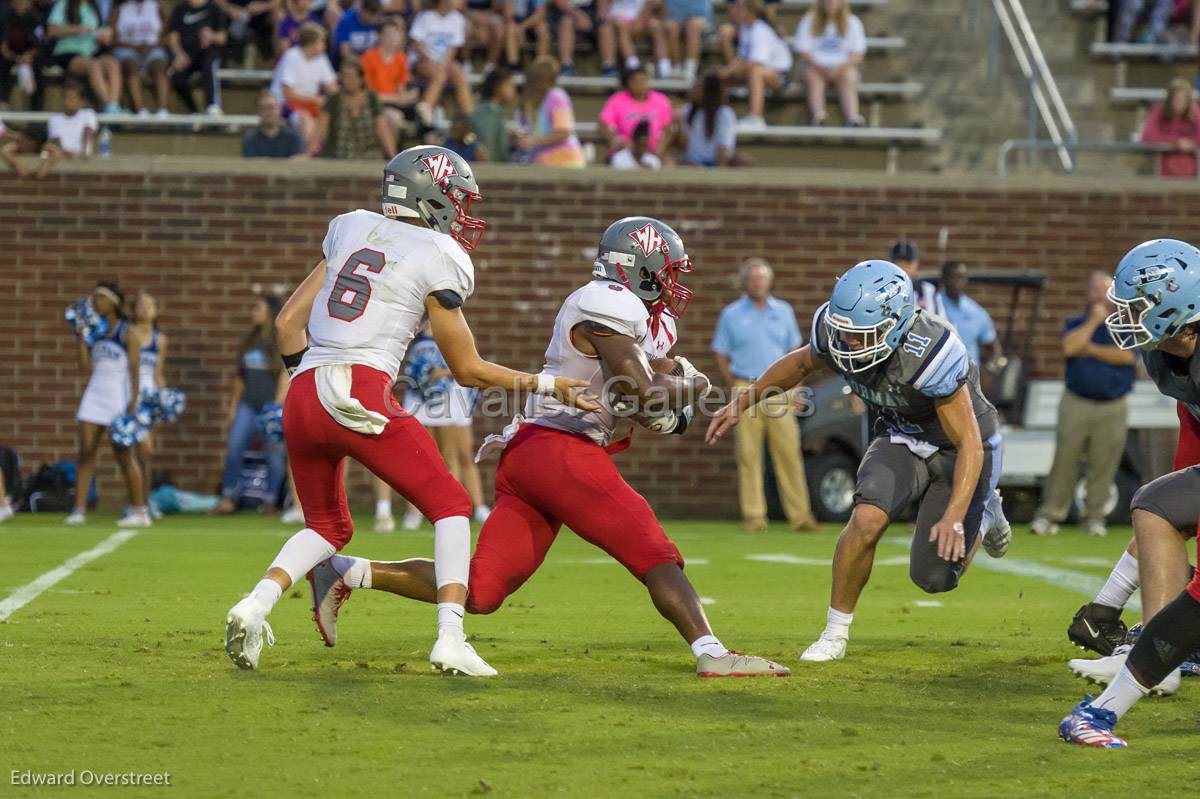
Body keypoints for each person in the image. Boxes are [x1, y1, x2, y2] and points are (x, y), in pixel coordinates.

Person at [305, 216, 793, 679]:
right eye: (664, 274)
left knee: (481, 589)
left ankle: (347, 571)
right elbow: (638, 391)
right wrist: (694, 384)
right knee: (653, 551)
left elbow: (639, 396)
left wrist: (666, 400)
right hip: (560, 450)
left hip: (536, 455)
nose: (671, 285)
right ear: (639, 269)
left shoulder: (630, 317)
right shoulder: (605, 301)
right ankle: (711, 653)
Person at [221, 145, 596, 676]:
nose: (462, 211)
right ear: (433, 197)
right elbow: (467, 368)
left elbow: (287, 326)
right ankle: (450, 637)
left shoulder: (351, 227)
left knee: (327, 525)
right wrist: (548, 383)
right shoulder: (438, 254)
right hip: (360, 385)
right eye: (456, 199)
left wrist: (312, 383)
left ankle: (254, 604)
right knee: (451, 504)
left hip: (304, 388)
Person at [707, 259, 1012, 661]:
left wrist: (956, 515)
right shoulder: (835, 329)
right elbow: (800, 363)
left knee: (934, 578)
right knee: (865, 519)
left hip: (960, 447)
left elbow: (970, 442)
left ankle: (987, 513)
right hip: (901, 436)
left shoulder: (932, 351)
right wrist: (745, 399)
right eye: (845, 333)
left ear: (898, 325)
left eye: (862, 336)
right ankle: (835, 633)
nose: (849, 344)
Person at [1057, 238, 1200, 747]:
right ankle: (1151, 672)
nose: (1128, 316)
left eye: (1138, 305)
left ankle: (1107, 707)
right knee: (1156, 504)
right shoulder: (1171, 352)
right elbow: (1192, 413)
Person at [711, 257, 816, 533]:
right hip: (745, 387)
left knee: (789, 452)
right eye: (753, 278)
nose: (758, 282)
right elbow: (721, 353)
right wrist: (733, 382)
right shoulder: (731, 314)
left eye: (762, 278)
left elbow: (797, 354)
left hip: (780, 390)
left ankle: (801, 516)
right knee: (748, 455)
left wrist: (796, 389)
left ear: (769, 281)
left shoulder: (783, 311)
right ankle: (754, 518)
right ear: (745, 282)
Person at [1029, 272, 1136, 539]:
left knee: (1104, 463)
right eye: (1095, 288)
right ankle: (1050, 515)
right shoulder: (1077, 322)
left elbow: (1126, 357)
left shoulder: (1125, 325)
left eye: (1105, 289)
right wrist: (1093, 322)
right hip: (1076, 402)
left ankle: (1095, 517)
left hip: (1113, 405)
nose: (1100, 294)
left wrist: (1089, 350)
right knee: (1065, 460)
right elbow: (1070, 347)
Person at [66, 282, 152, 528]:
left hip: (118, 396)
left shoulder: (128, 332)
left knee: (123, 455)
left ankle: (139, 510)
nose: (96, 303)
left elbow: (135, 372)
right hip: (94, 394)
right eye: (94, 299)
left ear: (114, 302)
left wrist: (133, 403)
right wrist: (80, 336)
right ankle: (79, 509)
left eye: (101, 299)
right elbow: (84, 368)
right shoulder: (94, 330)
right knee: (85, 452)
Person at [211, 295, 289, 516]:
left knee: (274, 454)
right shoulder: (249, 341)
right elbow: (240, 378)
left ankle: (270, 501)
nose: (253, 312)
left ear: (270, 312)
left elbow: (286, 373)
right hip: (247, 404)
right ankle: (227, 497)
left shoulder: (279, 342)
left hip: (269, 407)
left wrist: (277, 406)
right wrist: (233, 408)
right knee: (234, 447)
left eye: (258, 308)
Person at [402, 328, 491, 522]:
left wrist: (442, 372)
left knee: (455, 454)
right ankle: (414, 512)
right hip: (419, 397)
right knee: (420, 456)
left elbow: (470, 363)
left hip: (450, 396)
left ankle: (457, 507)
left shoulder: (456, 326)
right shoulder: (414, 327)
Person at [719, 0, 791, 132]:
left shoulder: (760, 29)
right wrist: (727, 71)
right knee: (722, 76)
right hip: (760, 70)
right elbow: (741, 57)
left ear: (750, 12)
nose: (736, 11)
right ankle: (720, 117)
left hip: (779, 75)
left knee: (755, 72)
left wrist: (730, 71)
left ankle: (756, 118)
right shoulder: (746, 28)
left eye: (740, 8)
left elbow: (756, 62)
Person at [307, 55, 397, 160]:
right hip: (338, 154)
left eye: (351, 77)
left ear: (361, 79)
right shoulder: (333, 99)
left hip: (369, 155)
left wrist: (393, 156)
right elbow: (320, 129)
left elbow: (383, 129)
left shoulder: (372, 99)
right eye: (344, 76)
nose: (346, 81)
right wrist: (308, 153)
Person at [792, 0, 865, 127]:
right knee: (813, 76)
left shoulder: (853, 22)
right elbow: (803, 52)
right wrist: (821, 68)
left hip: (842, 68)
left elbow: (858, 55)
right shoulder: (808, 20)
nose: (829, 3)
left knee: (849, 76)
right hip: (814, 67)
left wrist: (839, 68)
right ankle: (819, 116)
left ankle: (852, 116)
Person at [46, 0, 124, 113]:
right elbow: (51, 30)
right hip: (69, 52)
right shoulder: (64, 4)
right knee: (94, 65)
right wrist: (77, 29)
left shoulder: (94, 6)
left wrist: (103, 37)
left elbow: (96, 31)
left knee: (112, 63)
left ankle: (114, 104)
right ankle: (109, 107)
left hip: (92, 50)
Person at [129, 292, 166, 517]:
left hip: (149, 397)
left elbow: (158, 373)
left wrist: (163, 398)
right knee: (138, 449)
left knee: (146, 453)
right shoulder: (129, 333)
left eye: (150, 305)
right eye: (141, 305)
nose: (145, 309)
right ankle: (137, 501)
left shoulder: (159, 339)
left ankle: (144, 499)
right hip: (131, 395)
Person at [271, 22, 337, 144]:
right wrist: (316, 99)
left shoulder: (321, 59)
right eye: (321, 41)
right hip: (286, 104)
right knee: (305, 118)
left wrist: (330, 101)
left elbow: (332, 88)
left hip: (309, 103)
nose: (324, 45)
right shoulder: (292, 56)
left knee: (328, 116)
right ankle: (311, 154)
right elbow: (288, 94)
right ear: (312, 43)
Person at [516, 55, 585, 167]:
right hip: (541, 161)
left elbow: (564, 131)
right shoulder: (533, 101)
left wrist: (533, 141)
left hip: (564, 161)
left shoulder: (556, 96)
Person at [409, 0, 474, 118]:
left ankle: (469, 114)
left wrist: (443, 62)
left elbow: (453, 49)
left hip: (443, 62)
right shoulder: (425, 17)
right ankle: (425, 107)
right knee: (440, 74)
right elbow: (417, 45)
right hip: (422, 61)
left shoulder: (458, 19)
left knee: (458, 72)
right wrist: (432, 59)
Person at [597, 63, 674, 161]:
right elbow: (603, 124)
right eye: (636, 81)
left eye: (643, 80)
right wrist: (614, 141)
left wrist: (661, 147)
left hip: (653, 151)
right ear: (627, 83)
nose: (640, 84)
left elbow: (668, 128)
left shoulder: (661, 100)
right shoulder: (617, 99)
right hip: (625, 151)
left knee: (668, 164)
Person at [166, 0, 227, 115]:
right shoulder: (180, 9)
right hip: (186, 55)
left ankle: (212, 105)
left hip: (208, 53)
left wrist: (211, 36)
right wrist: (179, 54)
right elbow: (173, 36)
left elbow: (222, 38)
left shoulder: (214, 8)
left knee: (210, 64)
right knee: (176, 76)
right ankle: (193, 110)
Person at [111, 0, 169, 116]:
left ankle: (163, 109)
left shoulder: (158, 7)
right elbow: (113, 38)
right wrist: (133, 46)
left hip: (153, 48)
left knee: (160, 65)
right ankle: (140, 110)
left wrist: (153, 45)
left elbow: (167, 34)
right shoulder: (119, 9)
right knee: (130, 65)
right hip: (126, 49)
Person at [362, 18, 418, 137]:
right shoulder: (368, 57)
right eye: (389, 34)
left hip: (393, 103)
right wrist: (397, 99)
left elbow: (400, 88)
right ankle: (390, 154)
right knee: (394, 118)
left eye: (396, 34)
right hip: (374, 105)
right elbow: (368, 95)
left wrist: (408, 96)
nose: (393, 38)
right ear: (380, 36)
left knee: (422, 113)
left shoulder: (401, 58)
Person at [937, 261, 999, 366]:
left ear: (966, 280)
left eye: (960, 277)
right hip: (936, 375)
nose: (956, 282)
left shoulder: (976, 311)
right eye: (952, 277)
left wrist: (990, 367)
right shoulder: (932, 305)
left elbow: (993, 347)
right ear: (943, 279)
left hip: (968, 377)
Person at [1140, 76, 1200, 179]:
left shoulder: (1194, 113)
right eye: (1176, 99)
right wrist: (1174, 143)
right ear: (1170, 99)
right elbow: (1147, 136)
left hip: (1192, 177)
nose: (1179, 104)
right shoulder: (1159, 112)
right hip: (1165, 176)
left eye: (1183, 100)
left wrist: (1192, 144)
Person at [38, 81, 98, 177]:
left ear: (82, 102)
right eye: (65, 98)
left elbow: (88, 132)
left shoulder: (88, 114)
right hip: (61, 157)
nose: (67, 101)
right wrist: (65, 152)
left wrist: (82, 151)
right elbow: (56, 139)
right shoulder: (55, 119)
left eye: (72, 98)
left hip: (82, 158)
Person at [679, 72, 738, 167]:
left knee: (742, 161)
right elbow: (684, 143)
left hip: (716, 162)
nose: (692, 89)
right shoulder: (687, 110)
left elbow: (722, 147)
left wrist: (719, 173)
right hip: (692, 163)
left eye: (697, 86)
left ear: (709, 91)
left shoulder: (724, 113)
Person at [596, 0, 664, 77]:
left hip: (637, 22)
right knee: (609, 28)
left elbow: (647, 8)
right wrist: (608, 18)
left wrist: (639, 22)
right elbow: (603, 11)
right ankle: (623, 66)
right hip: (616, 21)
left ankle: (664, 67)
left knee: (657, 27)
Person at [0, 0, 44, 111]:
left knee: (38, 66)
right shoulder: (6, 18)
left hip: (31, 55)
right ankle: (2, 102)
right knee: (2, 66)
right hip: (11, 55)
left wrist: (28, 56)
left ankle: (36, 109)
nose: (21, 3)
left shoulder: (36, 18)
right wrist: (16, 58)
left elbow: (39, 45)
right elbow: (3, 47)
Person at [242, 91, 306, 158]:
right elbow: (251, 165)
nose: (268, 112)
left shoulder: (294, 138)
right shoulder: (250, 139)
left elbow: (298, 165)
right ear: (258, 112)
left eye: (271, 107)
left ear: (280, 110)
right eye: (263, 108)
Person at [215, 0, 278, 67]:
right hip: (235, 20)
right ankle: (233, 58)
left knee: (278, 14)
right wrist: (230, 9)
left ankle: (279, 59)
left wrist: (263, 7)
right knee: (242, 18)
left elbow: (277, 2)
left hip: (262, 21)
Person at [471, 65, 514, 163]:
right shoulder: (488, 112)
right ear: (498, 86)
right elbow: (487, 147)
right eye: (510, 85)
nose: (513, 90)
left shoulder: (495, 111)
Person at [888, 239, 941, 315]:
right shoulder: (884, 292)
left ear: (916, 263)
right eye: (899, 264)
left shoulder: (929, 291)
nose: (903, 269)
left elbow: (941, 322)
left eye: (908, 263)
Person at [663, 0, 711, 81]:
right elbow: (669, 13)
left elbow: (702, 13)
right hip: (678, 21)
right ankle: (676, 68)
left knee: (693, 25)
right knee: (672, 27)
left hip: (701, 20)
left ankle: (690, 71)